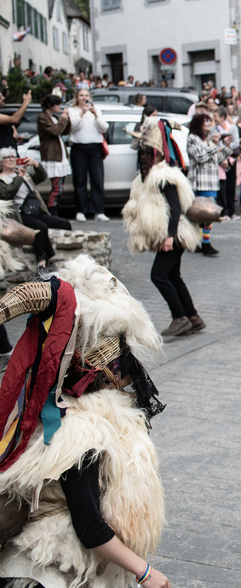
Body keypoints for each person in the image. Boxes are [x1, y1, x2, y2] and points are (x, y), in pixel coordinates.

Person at [0, 256, 171, 588]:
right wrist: (147, 573)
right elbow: (90, 528)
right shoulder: (80, 433)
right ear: (101, 372)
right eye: (121, 364)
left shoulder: (69, 411)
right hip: (53, 569)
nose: (129, 374)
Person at [122, 117, 204, 337]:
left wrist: (169, 236)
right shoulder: (147, 176)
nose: (143, 156)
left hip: (175, 233)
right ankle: (193, 317)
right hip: (171, 232)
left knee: (158, 275)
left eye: (146, 152)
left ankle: (180, 317)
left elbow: (175, 208)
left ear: (156, 153)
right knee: (173, 275)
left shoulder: (163, 175)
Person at [0, 149, 72, 269]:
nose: (11, 159)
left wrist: (36, 164)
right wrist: (19, 177)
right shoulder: (2, 178)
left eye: (13, 157)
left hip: (35, 210)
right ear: (1, 161)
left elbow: (42, 176)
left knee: (64, 224)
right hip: (19, 214)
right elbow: (7, 193)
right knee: (40, 228)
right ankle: (41, 262)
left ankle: (67, 257)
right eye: (7, 157)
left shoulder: (22, 173)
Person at [187, 113, 232, 256]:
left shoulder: (207, 140)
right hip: (199, 182)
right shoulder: (192, 139)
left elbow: (216, 159)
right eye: (205, 121)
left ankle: (203, 242)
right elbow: (200, 157)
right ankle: (197, 242)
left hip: (211, 182)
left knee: (208, 215)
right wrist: (214, 145)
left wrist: (226, 147)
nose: (209, 124)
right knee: (198, 214)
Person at [67, 88, 109, 222]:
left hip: (95, 148)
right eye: (81, 95)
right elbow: (73, 127)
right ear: (77, 97)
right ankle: (81, 210)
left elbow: (104, 128)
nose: (84, 97)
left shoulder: (96, 110)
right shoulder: (72, 111)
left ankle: (99, 211)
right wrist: (82, 113)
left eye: (86, 95)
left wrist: (96, 115)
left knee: (97, 179)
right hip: (78, 147)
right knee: (80, 180)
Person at [36, 94, 72, 216]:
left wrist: (66, 118)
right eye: (57, 104)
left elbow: (64, 131)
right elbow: (55, 131)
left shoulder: (54, 117)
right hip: (52, 155)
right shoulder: (43, 118)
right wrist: (63, 118)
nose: (59, 107)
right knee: (57, 187)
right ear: (50, 105)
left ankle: (55, 206)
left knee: (59, 186)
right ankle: (52, 209)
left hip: (59, 154)